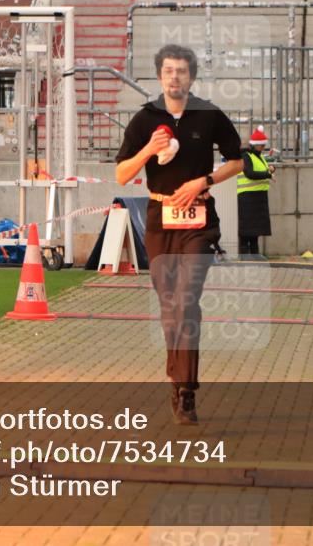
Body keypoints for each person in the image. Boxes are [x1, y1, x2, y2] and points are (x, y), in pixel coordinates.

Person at [115, 44, 243, 425]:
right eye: (169, 70)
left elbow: (239, 160)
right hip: (159, 220)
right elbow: (122, 174)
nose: (175, 77)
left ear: (191, 77)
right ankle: (177, 378)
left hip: (199, 221)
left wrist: (203, 180)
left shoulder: (209, 113)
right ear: (159, 76)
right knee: (171, 308)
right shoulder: (145, 119)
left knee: (186, 301)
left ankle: (186, 392)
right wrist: (148, 152)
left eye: (182, 71)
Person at [237, 126, 274, 259]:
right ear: (256, 145)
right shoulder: (246, 156)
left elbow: (262, 170)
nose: (263, 147)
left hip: (258, 196)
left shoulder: (259, 156)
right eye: (262, 145)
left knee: (255, 229)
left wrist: (270, 169)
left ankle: (254, 253)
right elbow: (250, 173)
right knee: (246, 228)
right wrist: (267, 174)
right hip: (247, 196)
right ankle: (244, 254)